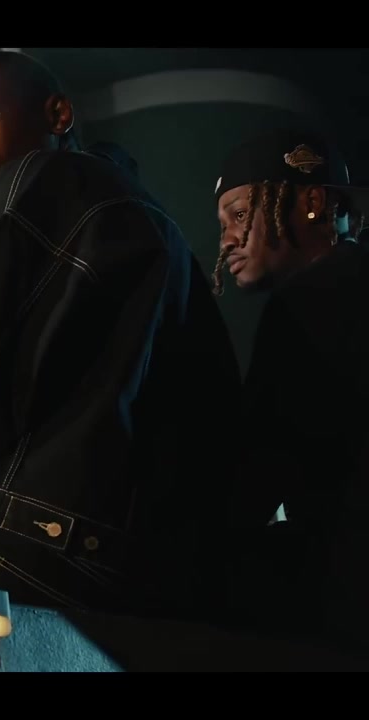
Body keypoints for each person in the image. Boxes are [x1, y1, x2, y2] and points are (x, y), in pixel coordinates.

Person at [0, 51, 243, 618]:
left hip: (28, 534)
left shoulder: (42, 178)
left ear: (58, 115)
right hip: (136, 576)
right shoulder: (163, 233)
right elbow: (215, 420)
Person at [211, 128, 369, 653]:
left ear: (313, 201)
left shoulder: (310, 300)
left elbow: (261, 470)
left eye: (239, 214)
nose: (227, 241)